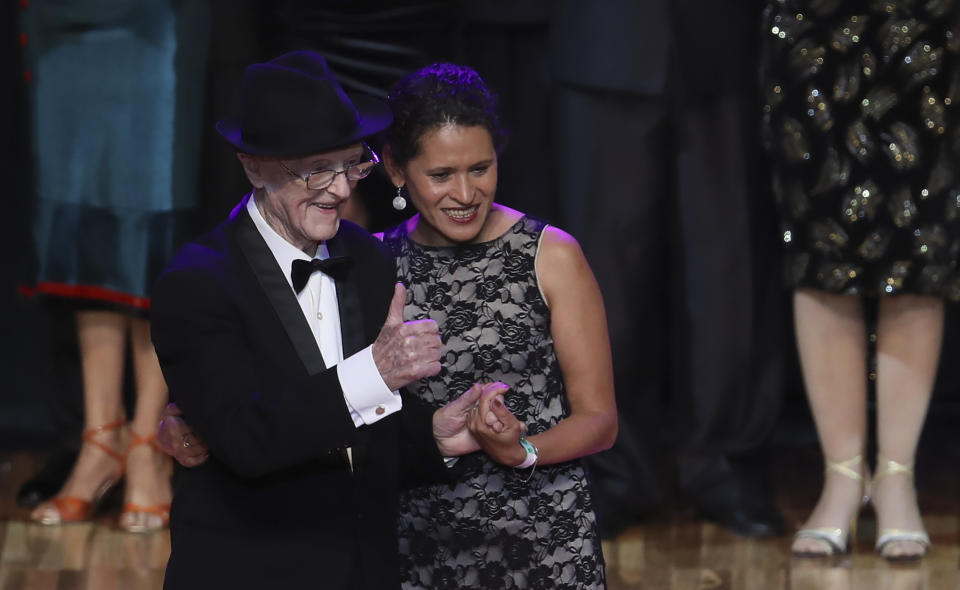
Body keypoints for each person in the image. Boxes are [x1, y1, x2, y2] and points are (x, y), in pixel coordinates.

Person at [160, 61, 617, 588]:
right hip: (264, 567)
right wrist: (187, 423)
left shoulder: (364, 258)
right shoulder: (198, 281)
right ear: (254, 167)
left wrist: (437, 436)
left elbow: (373, 435)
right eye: (315, 170)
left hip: (385, 561)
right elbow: (246, 435)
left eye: (350, 166)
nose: (337, 190)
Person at [546, 0, 786, 538]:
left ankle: (724, 464)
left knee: (727, 275)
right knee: (603, 279)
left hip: (721, 44)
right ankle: (614, 466)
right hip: (603, 39)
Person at [379, 63, 616, 589]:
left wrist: (523, 449)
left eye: (480, 169)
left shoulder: (550, 254)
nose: (465, 194)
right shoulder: (373, 265)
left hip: (547, 543)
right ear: (396, 169)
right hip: (418, 544)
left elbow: (600, 419)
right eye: (441, 175)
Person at [760, 0, 960, 559]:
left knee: (918, 253)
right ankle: (842, 477)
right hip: (812, 24)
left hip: (926, 24)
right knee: (820, 253)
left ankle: (897, 478)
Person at [23, 0, 209, 533]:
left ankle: (149, 445)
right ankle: (101, 437)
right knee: (80, 214)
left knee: (150, 216)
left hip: (153, 21)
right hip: (63, 26)